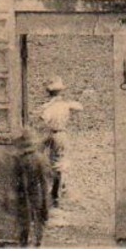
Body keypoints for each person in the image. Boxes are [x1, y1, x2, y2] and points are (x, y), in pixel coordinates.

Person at [38, 77, 83, 205]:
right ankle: (57, 192)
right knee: (59, 162)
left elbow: (43, 120)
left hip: (49, 134)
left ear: (49, 93)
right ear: (60, 92)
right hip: (61, 134)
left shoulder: (47, 107)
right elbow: (80, 107)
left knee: (49, 161)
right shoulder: (65, 105)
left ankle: (54, 191)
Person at [15, 128, 54, 247]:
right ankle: (38, 241)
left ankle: (25, 241)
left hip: (23, 193)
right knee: (39, 216)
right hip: (38, 192)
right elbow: (46, 179)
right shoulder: (40, 159)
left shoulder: (20, 160)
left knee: (25, 218)